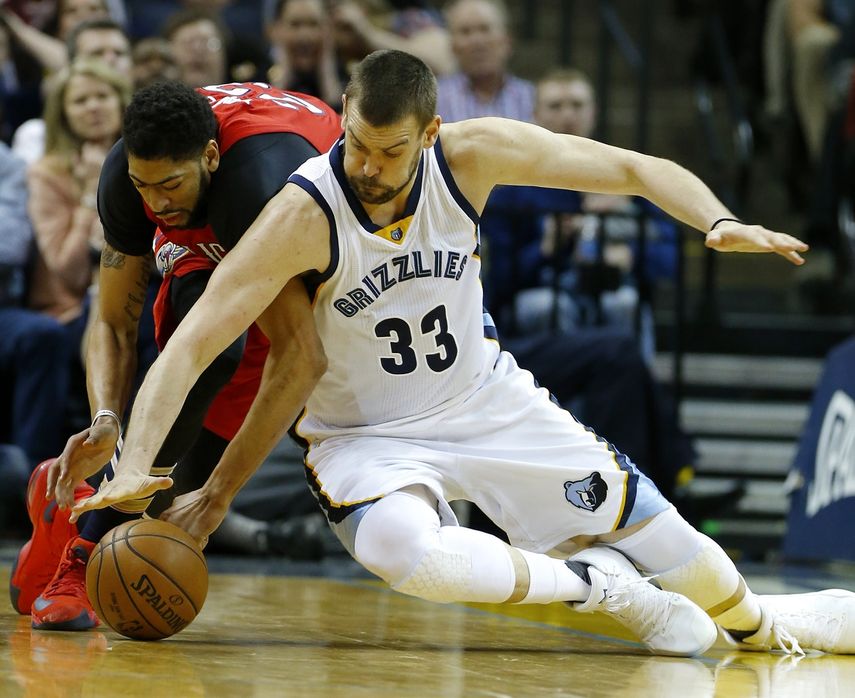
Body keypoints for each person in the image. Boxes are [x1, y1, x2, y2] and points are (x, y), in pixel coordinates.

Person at [72, 50, 855, 658]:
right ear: (343, 118)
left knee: (689, 560)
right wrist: (135, 463)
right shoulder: (302, 212)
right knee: (400, 552)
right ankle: (599, 589)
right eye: (356, 144)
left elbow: (631, 169)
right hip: (363, 438)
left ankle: (765, 626)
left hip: (485, 401)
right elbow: (193, 343)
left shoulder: (472, 155)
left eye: (389, 152)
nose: (366, 168)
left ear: (430, 134)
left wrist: (716, 221)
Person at [12, 79, 341, 630]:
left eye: (170, 185)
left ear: (209, 157)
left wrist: (219, 496)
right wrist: (105, 420)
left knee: (172, 503)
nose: (156, 203)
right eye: (144, 186)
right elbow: (113, 323)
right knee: (210, 354)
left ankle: (78, 503)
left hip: (295, 228)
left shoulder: (257, 185)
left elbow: (300, 356)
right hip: (213, 237)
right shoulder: (125, 178)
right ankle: (82, 556)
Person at [437, 0, 534, 123]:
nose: (477, 42)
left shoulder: (531, 99)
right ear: (452, 46)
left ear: (507, 40)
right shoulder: (433, 101)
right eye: (465, 32)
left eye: (485, 29)